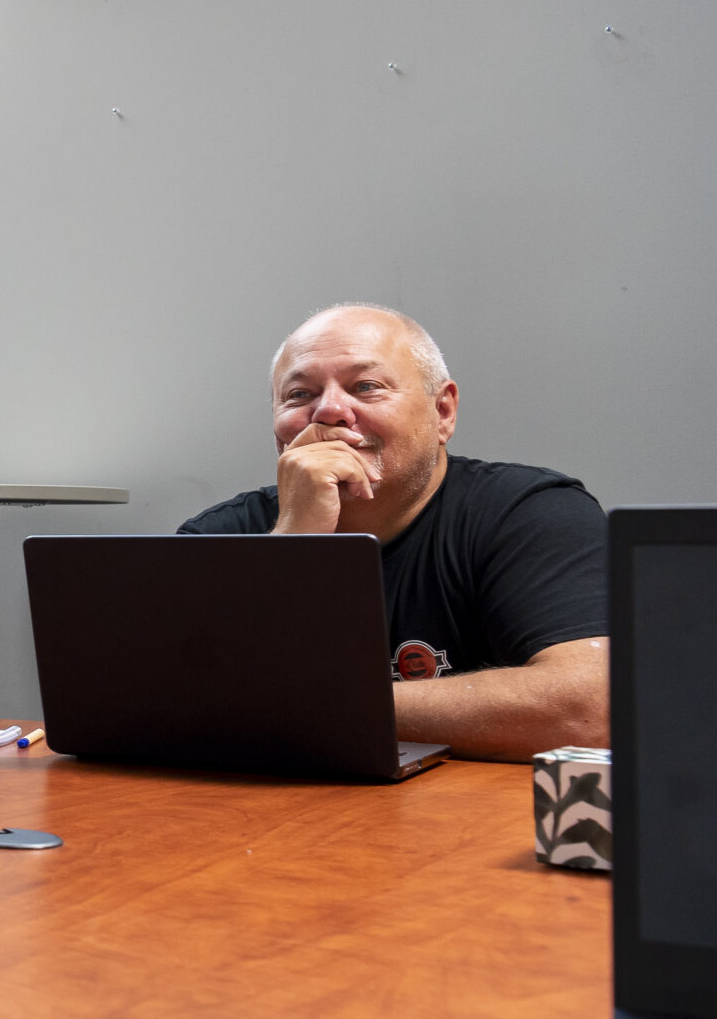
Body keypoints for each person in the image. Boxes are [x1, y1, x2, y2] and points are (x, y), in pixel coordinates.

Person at [178, 304, 608, 760]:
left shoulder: (530, 513)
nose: (329, 411)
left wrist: (310, 707)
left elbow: (587, 711)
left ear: (442, 412)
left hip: (468, 817)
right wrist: (295, 541)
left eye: (366, 387)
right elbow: (163, 704)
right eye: (299, 395)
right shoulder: (218, 537)